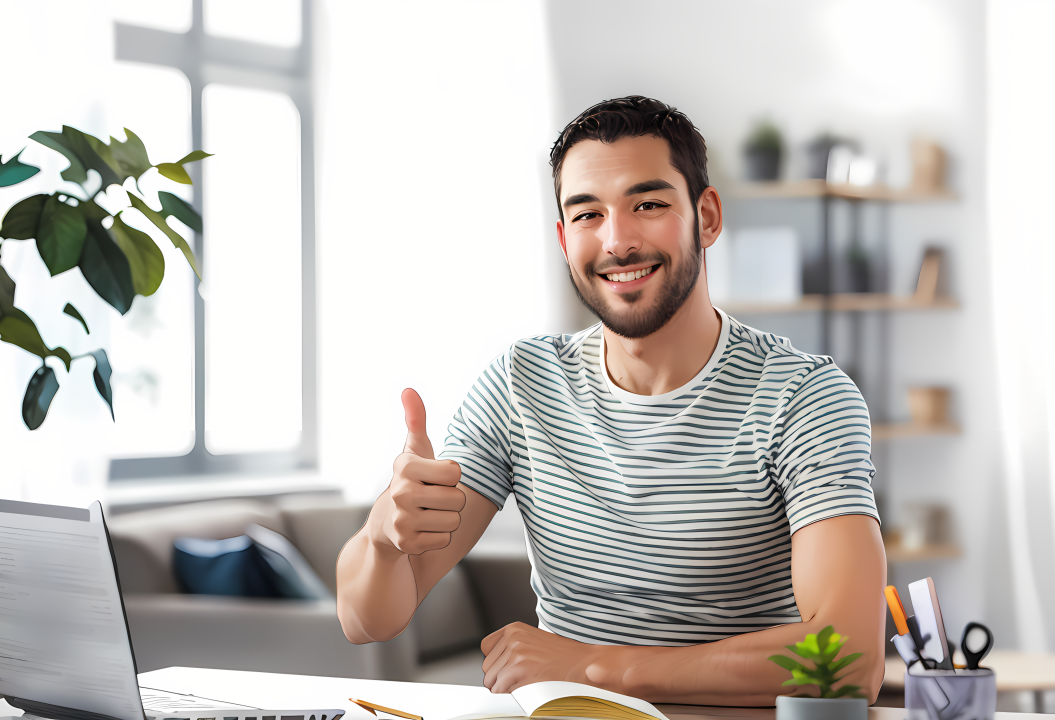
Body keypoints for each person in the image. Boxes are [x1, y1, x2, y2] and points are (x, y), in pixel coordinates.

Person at [336, 96, 886, 706]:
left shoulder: (804, 396)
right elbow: (368, 622)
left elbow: (849, 659)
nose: (618, 241)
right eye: (588, 214)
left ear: (706, 216)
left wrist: (596, 666)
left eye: (647, 205)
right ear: (563, 237)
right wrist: (383, 538)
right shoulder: (523, 385)